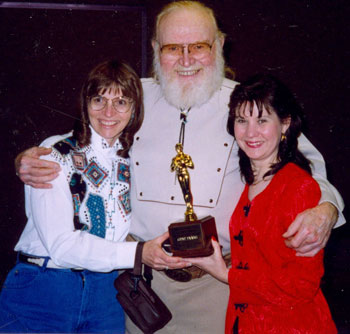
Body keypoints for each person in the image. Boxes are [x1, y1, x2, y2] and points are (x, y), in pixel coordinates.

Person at [14, 2, 345, 333]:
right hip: (141, 285)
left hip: (218, 286)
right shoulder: (133, 97)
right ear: (157, 49)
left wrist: (327, 208)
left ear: (218, 46)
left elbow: (308, 162)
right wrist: (31, 158)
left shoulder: (246, 103)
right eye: (173, 48)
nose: (186, 60)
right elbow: (83, 137)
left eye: (199, 46)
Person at [0, 59, 187, 333]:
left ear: (134, 109)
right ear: (85, 103)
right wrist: (139, 253)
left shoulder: (132, 160)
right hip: (45, 288)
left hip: (106, 292)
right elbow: (62, 248)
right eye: (99, 99)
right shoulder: (55, 153)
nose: (109, 112)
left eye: (121, 102)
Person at [187, 73, 337, 334]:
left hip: (291, 325)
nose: (250, 132)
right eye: (242, 121)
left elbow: (301, 286)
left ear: (285, 124)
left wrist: (225, 274)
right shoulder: (249, 182)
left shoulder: (298, 187)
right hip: (246, 321)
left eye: (262, 120)